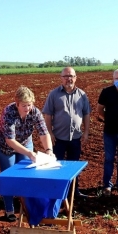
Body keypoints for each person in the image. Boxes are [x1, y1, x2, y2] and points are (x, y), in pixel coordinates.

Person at [0, 86, 55, 222]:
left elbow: (44, 133)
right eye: (24, 105)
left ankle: (28, 208)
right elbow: (10, 140)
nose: (27, 108)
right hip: (5, 147)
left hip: (26, 142)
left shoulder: (35, 112)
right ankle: (9, 209)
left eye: (29, 105)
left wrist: (49, 150)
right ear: (17, 104)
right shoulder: (9, 112)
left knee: (28, 174)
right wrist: (30, 153)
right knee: (9, 175)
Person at [42, 67, 91, 197]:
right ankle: (56, 192)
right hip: (58, 138)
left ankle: (74, 192)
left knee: (73, 165)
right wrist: (50, 134)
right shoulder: (54, 94)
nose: (68, 78)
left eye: (71, 76)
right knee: (56, 165)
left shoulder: (82, 95)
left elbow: (86, 114)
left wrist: (86, 132)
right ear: (61, 78)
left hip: (75, 137)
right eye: (65, 76)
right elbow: (48, 115)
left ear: (75, 77)